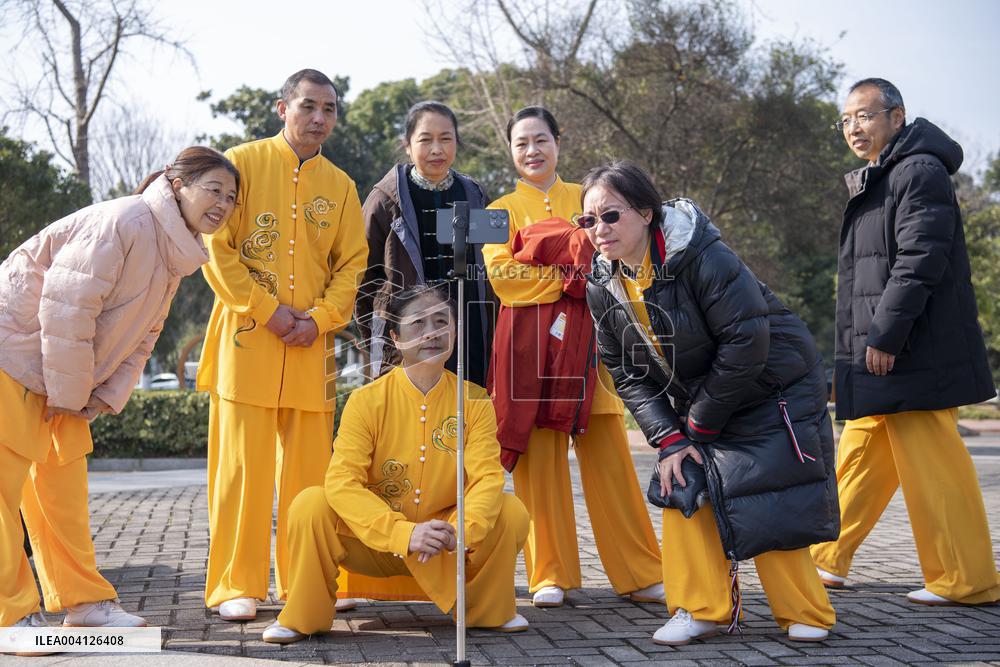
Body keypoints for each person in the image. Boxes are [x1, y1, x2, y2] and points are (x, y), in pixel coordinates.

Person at [583, 161, 838, 645]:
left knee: (765, 490)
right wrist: (671, 438)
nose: (599, 229)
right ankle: (700, 608)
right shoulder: (601, 286)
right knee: (679, 478)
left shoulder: (701, 255)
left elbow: (746, 340)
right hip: (702, 395)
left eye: (611, 215)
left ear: (645, 211)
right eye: (589, 220)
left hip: (772, 386)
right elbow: (626, 372)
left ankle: (805, 611)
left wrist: (698, 427)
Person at [0, 147, 239, 640]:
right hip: (13, 356)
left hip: (57, 376)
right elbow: (68, 305)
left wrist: (103, 394)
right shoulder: (128, 220)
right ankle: (10, 613)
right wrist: (71, 391)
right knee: (4, 492)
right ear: (178, 184)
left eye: (232, 197)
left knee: (62, 495)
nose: (223, 203)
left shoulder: (176, 252)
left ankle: (83, 603)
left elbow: (143, 338)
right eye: (213, 189)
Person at [811, 78, 1000, 605]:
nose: (854, 127)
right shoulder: (880, 175)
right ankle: (825, 556)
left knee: (934, 465)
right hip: (877, 350)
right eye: (846, 119)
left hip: (912, 349)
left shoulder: (918, 170)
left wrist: (886, 333)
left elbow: (920, 258)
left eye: (865, 115)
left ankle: (968, 579)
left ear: (897, 116)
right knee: (861, 453)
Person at [260, 285, 530, 643]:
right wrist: (404, 534)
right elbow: (342, 482)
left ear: (454, 332)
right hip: (373, 545)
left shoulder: (475, 400)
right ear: (395, 337)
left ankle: (486, 611)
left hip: (446, 544)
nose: (431, 332)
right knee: (311, 503)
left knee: (511, 511)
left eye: (441, 322)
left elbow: (486, 479)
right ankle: (304, 616)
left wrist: (461, 531)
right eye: (418, 323)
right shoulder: (366, 401)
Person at [196, 68, 368, 621]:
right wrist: (269, 313)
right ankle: (234, 585)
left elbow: (352, 264)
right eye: (308, 106)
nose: (320, 118)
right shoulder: (239, 165)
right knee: (241, 471)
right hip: (247, 343)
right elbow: (215, 246)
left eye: (330, 109)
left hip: (311, 347)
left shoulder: (341, 186)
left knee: (310, 477)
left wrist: (319, 320)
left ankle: (306, 583)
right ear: (282, 108)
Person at [483, 107, 663, 608]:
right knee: (539, 466)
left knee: (609, 457)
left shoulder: (590, 199)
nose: (532, 151)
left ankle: (641, 571)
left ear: (559, 142)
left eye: (540, 140)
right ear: (511, 152)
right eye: (521, 144)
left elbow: (619, 263)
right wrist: (575, 279)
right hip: (530, 352)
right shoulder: (498, 209)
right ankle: (549, 573)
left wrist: (557, 270)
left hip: (596, 349)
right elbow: (504, 282)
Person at [357, 101, 495, 388]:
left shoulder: (475, 196)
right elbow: (362, 278)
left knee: (467, 420)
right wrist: (379, 334)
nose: (437, 149)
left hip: (470, 336)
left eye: (446, 139)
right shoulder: (385, 200)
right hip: (408, 337)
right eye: (425, 140)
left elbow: (492, 266)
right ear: (407, 145)